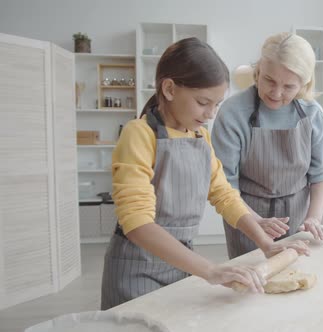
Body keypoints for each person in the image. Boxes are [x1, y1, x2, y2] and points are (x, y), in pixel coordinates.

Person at [101, 37, 309, 310]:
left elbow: (224, 194)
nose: (210, 113)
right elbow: (138, 225)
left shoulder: (200, 137)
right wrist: (211, 270)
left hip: (181, 264)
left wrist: (265, 244)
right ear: (170, 88)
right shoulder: (139, 135)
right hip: (136, 268)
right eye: (202, 102)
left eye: (216, 104)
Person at [211, 32, 323, 259]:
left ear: (303, 84)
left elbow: (322, 173)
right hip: (246, 217)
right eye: (269, 80)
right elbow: (225, 185)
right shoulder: (233, 113)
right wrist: (255, 222)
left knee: (296, 279)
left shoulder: (312, 113)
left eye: (289, 86)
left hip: (298, 218)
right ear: (258, 70)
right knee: (251, 284)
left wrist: (313, 218)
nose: (276, 94)